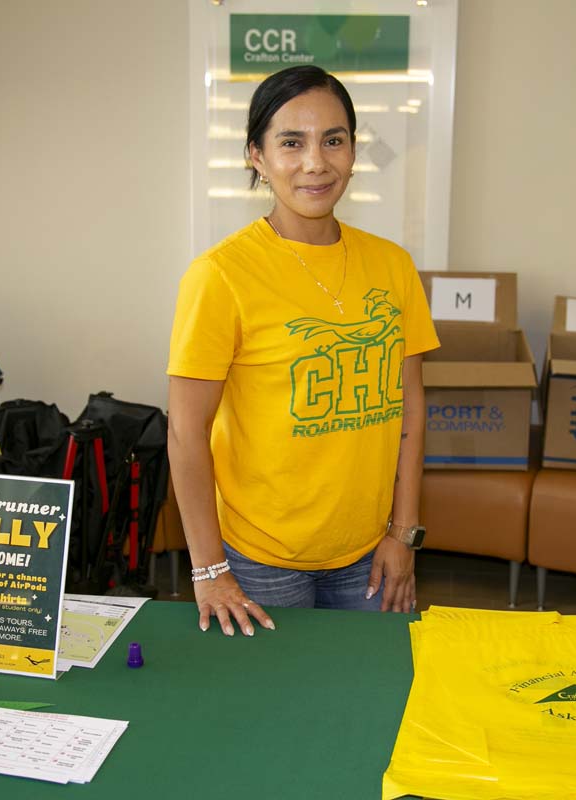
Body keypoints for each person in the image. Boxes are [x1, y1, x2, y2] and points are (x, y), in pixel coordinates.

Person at [167, 65, 440, 637]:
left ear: (352, 151)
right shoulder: (220, 275)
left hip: (371, 553)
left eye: (333, 140)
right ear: (257, 157)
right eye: (291, 142)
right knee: (274, 716)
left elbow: (410, 407)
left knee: (369, 702)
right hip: (258, 561)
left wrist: (403, 533)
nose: (316, 162)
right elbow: (187, 432)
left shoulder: (393, 265)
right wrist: (209, 571)